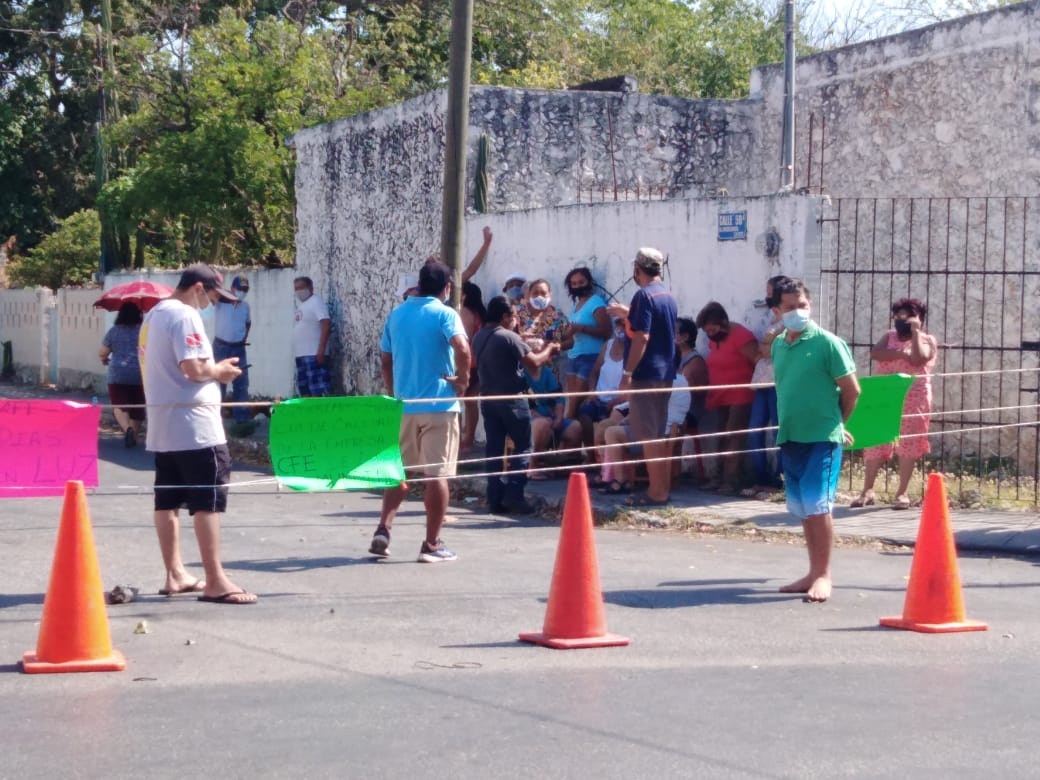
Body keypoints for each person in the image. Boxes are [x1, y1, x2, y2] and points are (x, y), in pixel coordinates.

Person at [139, 264, 256, 604]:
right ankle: (215, 580)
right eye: (214, 295)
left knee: (168, 501)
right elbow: (193, 368)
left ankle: (175, 572)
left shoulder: (155, 315)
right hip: (194, 426)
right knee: (208, 502)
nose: (213, 303)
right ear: (199, 288)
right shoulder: (184, 316)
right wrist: (219, 371)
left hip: (165, 424)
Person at [369, 261, 471, 562]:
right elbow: (463, 349)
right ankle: (432, 544)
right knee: (436, 475)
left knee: (399, 471)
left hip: (405, 406)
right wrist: (462, 381)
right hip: (439, 405)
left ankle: (383, 529)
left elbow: (386, 360)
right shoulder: (445, 313)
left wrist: (393, 391)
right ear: (447, 287)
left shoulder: (397, 314)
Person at [772, 277, 860, 603]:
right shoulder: (779, 345)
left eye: (803, 306)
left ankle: (824, 575)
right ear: (778, 310)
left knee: (819, 507)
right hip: (791, 436)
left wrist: (836, 425)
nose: (798, 312)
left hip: (821, 440)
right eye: (790, 307)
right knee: (805, 509)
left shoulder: (827, 343)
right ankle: (811, 571)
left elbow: (852, 391)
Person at [472, 295, 560, 514]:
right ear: (504, 316)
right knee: (523, 446)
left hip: (489, 400)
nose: (515, 319)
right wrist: (550, 350)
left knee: (494, 449)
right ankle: (514, 494)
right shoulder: (509, 337)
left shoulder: (479, 336)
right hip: (512, 400)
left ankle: (495, 497)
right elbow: (534, 363)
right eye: (513, 315)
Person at [606, 247, 678, 507]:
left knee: (648, 436)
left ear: (637, 268)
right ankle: (661, 488)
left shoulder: (643, 296)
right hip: (665, 372)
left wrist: (627, 373)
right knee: (656, 434)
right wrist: (628, 314)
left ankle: (657, 492)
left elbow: (642, 337)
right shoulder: (667, 296)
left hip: (645, 374)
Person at [852, 297, 937, 509]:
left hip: (913, 396)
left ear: (919, 319)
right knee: (875, 440)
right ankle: (867, 490)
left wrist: (916, 333)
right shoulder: (889, 336)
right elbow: (876, 353)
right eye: (898, 316)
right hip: (884, 395)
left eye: (907, 316)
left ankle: (902, 493)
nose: (901, 320)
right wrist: (900, 353)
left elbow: (919, 359)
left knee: (908, 443)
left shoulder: (927, 339)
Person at [697, 301, 759, 494]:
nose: (711, 334)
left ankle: (731, 481)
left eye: (713, 329)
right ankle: (718, 477)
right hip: (720, 396)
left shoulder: (741, 336)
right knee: (722, 437)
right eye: (707, 331)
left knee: (734, 436)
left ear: (724, 322)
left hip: (740, 395)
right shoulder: (715, 339)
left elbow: (757, 360)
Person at [599, 375, 691, 495]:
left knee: (611, 432)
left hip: (658, 434)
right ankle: (609, 475)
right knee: (615, 427)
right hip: (670, 431)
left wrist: (627, 419)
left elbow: (646, 408)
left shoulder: (664, 381)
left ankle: (620, 480)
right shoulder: (682, 380)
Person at [746, 276, 790, 497]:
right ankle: (760, 476)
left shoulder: (790, 324)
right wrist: (766, 345)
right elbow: (762, 350)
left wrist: (766, 346)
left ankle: (780, 478)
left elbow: (768, 351)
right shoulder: (773, 324)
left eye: (770, 292)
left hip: (778, 383)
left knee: (777, 432)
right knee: (754, 430)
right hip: (761, 383)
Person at [579, 317, 628, 483]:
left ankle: (606, 469)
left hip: (619, 402)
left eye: (624, 324)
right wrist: (592, 391)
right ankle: (592, 457)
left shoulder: (634, 349)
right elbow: (594, 372)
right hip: (599, 397)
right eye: (618, 324)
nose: (620, 328)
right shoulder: (608, 346)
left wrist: (616, 401)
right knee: (583, 414)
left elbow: (633, 384)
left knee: (607, 424)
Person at [562, 267, 610, 419]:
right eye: (574, 284)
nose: (577, 286)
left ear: (589, 282)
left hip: (590, 357)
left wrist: (580, 328)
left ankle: (565, 435)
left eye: (581, 282)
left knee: (576, 403)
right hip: (574, 356)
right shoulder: (576, 305)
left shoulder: (596, 302)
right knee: (573, 401)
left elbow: (606, 332)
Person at [99, 301, 145, 448]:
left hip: (117, 373)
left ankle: (127, 430)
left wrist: (104, 359)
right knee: (138, 405)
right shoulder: (144, 331)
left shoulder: (114, 331)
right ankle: (134, 436)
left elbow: (103, 352)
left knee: (119, 404)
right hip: (140, 373)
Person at [525, 362, 581, 477]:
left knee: (575, 428)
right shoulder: (520, 374)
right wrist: (542, 418)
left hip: (550, 418)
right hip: (529, 420)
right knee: (542, 424)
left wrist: (559, 417)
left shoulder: (546, 372)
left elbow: (559, 398)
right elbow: (522, 404)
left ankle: (562, 466)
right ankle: (531, 467)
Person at [675, 316, 709, 482]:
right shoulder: (675, 358)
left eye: (673, 332)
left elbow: (685, 392)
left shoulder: (694, 361)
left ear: (685, 337)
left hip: (690, 413)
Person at [213, 275, 251, 424]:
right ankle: (216, 419)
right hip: (221, 347)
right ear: (233, 289)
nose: (242, 292)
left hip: (238, 348)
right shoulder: (221, 303)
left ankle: (242, 421)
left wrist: (243, 338)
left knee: (241, 384)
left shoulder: (245, 306)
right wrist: (230, 298)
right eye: (240, 289)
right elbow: (215, 292)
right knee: (219, 383)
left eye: (245, 290)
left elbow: (248, 323)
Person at [459, 281, 487, 455]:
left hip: (466, 362)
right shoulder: (481, 314)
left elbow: (464, 339)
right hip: (479, 362)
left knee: (457, 403)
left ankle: (461, 442)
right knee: (471, 403)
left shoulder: (464, 313)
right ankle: (469, 440)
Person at [293, 276, 331, 396]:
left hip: (313, 354)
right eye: (296, 288)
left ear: (310, 287)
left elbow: (326, 323)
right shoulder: (302, 305)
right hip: (301, 354)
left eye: (301, 287)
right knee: (305, 390)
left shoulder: (316, 302)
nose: (298, 291)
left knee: (318, 390)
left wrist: (321, 350)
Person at [517, 278, 569, 350]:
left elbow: (570, 341)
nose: (539, 296)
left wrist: (556, 347)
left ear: (550, 295)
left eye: (543, 293)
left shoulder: (558, 316)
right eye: (535, 293)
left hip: (554, 360)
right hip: (524, 359)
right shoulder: (519, 314)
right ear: (529, 295)